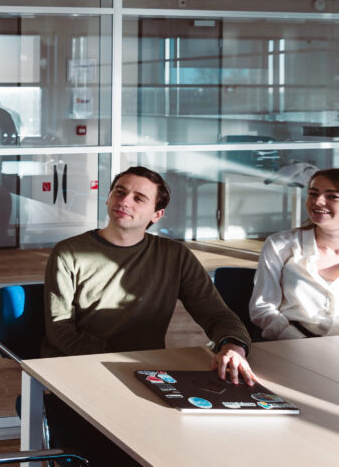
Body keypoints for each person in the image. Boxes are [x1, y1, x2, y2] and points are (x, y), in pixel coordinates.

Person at [40, 166, 256, 464]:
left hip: (144, 375)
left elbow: (216, 313)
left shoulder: (175, 255)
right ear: (108, 198)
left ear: (157, 214)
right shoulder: (69, 252)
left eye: (139, 198)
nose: (124, 201)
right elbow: (60, 331)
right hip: (82, 375)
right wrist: (123, 366)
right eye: (120, 191)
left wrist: (232, 344)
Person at [250, 168, 339, 339]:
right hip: (291, 341)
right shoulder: (279, 245)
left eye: (332, 196)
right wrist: (292, 337)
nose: (318, 201)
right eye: (313, 194)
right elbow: (262, 307)